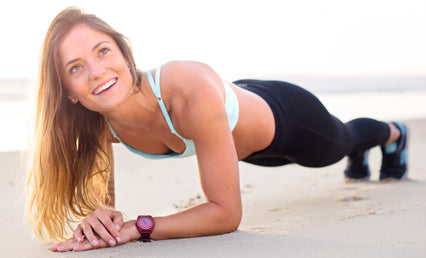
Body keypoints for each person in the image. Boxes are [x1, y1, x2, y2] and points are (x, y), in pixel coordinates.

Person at [26, 7, 409, 252]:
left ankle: (393, 134)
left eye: (102, 51)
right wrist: (100, 216)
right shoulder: (97, 123)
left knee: (340, 142)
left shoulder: (185, 87)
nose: (96, 72)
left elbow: (226, 214)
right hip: (243, 145)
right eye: (75, 68)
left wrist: (139, 228)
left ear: (124, 54)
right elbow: (104, 198)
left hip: (288, 119)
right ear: (69, 92)